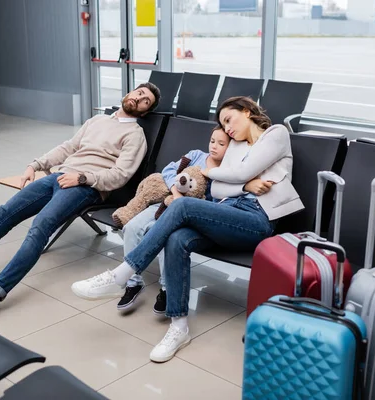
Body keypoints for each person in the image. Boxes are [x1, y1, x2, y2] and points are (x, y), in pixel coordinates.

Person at [71, 96, 303, 363]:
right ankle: (179, 327)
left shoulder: (276, 134)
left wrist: (215, 174)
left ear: (248, 112)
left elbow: (240, 173)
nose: (227, 128)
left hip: (257, 219)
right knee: (177, 238)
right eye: (222, 124)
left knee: (181, 207)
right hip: (226, 214)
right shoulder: (236, 146)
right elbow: (219, 189)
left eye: (229, 119)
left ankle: (122, 274)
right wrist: (245, 184)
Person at [0, 83, 161, 318]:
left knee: (40, 226)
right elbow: (68, 147)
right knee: (2, 214)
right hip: (58, 176)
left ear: (145, 110)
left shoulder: (135, 135)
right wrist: (35, 165)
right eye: (139, 92)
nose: (139, 98)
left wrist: (82, 178)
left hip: (84, 187)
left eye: (146, 100)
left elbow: (120, 176)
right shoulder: (97, 120)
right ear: (129, 93)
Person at [71, 127, 230, 314]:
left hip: (186, 215)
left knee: (164, 237)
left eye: (221, 144)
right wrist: (176, 192)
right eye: (212, 141)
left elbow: (215, 200)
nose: (214, 147)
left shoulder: (226, 171)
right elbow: (169, 170)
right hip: (165, 202)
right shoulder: (195, 156)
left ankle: (166, 288)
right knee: (130, 227)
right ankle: (133, 282)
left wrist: (187, 201)